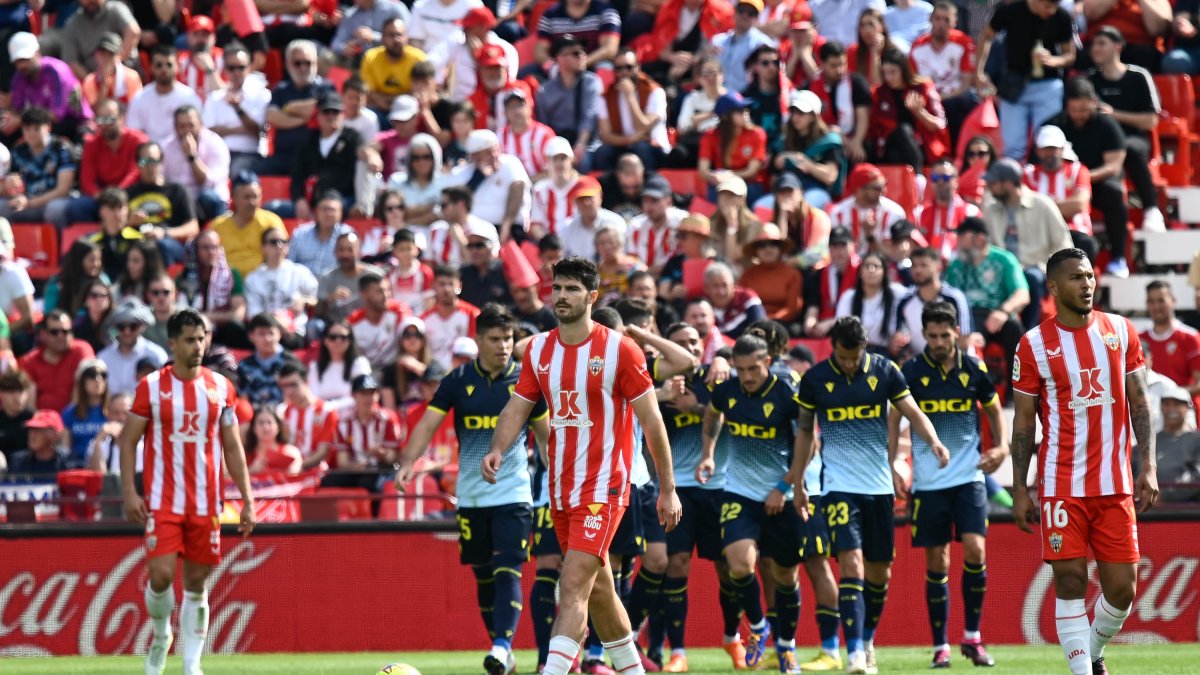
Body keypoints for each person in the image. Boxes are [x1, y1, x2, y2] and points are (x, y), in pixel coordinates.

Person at [483, 257, 682, 675]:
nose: (562, 296)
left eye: (572, 289)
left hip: (604, 489)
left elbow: (652, 420)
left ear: (591, 296)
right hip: (560, 489)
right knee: (601, 594)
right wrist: (498, 448)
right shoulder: (538, 349)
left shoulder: (619, 349)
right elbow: (518, 407)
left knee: (571, 585)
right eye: (557, 288)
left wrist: (668, 488)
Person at [1010, 247, 1159, 675]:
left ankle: (1091, 654)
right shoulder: (1033, 344)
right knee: (1071, 580)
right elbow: (1023, 426)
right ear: (1054, 287)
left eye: (1091, 276)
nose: (1087, 284)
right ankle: (1084, 673)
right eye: (1077, 277)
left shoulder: (1120, 330)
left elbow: (1141, 405)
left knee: (1122, 591)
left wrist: (1146, 464)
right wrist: (1021, 489)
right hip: (1060, 483)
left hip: (1115, 483)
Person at [394, 304, 547, 675]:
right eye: (495, 339)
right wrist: (407, 464)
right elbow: (429, 424)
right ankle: (503, 654)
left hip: (514, 494)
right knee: (482, 572)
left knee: (508, 567)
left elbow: (546, 437)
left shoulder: (526, 383)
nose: (503, 346)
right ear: (478, 341)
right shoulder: (457, 380)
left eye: (508, 338)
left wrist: (557, 476)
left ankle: (501, 645)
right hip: (472, 497)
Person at [792, 315, 949, 675]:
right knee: (852, 565)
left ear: (865, 347)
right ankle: (855, 656)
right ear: (834, 348)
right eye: (844, 357)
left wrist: (935, 442)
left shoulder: (885, 371)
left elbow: (913, 411)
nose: (849, 363)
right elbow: (804, 433)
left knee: (880, 575)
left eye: (855, 356)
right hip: (837, 488)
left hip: (878, 488)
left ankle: (866, 640)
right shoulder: (816, 380)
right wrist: (799, 481)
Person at [117, 308, 255, 675]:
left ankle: (192, 665)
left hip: (207, 502)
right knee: (161, 575)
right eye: (191, 339)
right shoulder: (151, 387)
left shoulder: (221, 388)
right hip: (163, 501)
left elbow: (232, 445)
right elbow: (128, 440)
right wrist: (131, 493)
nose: (198, 346)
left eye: (203, 338)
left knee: (196, 584)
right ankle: (161, 636)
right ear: (173, 342)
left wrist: (247, 499)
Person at [891, 302, 1006, 667]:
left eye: (945, 335)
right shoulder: (910, 371)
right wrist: (894, 459)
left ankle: (972, 636)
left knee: (975, 549)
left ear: (957, 332)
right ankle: (940, 644)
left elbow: (993, 406)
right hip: (928, 482)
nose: (939, 341)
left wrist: (1000, 446)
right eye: (933, 335)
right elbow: (894, 416)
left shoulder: (974, 368)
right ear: (924, 334)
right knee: (937, 560)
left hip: (968, 476)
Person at [695, 333, 804, 672]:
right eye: (741, 369)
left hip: (781, 495)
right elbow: (712, 415)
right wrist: (709, 455)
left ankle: (787, 646)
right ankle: (759, 627)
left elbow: (809, 442)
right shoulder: (727, 390)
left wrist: (785, 485)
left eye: (753, 369)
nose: (747, 376)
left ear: (768, 363)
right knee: (738, 563)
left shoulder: (787, 392)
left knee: (785, 575)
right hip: (739, 492)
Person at [648, 322, 746, 671]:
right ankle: (678, 652)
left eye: (693, 341)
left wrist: (697, 407)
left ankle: (732, 638)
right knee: (676, 565)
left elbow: (741, 419)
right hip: (679, 489)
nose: (688, 348)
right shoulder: (659, 387)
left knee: (728, 569)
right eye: (679, 343)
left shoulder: (719, 378)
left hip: (721, 485)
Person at [1048, 78, 1132, 278]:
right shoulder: (1056, 125)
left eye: (1083, 109)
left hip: (1098, 182)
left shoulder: (1107, 125)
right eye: (1073, 109)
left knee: (1115, 194)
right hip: (1064, 185)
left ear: (1093, 102)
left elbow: (1114, 165)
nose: (1078, 114)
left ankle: (1118, 257)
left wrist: (1082, 179)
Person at [1086, 26, 1165, 233]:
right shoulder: (1090, 80)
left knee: (1128, 149)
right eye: (1093, 44)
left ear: (1118, 47)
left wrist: (1114, 114)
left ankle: (1151, 209)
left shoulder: (1139, 76)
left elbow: (1151, 121)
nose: (1095, 48)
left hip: (1133, 139)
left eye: (1102, 43)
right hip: (1099, 142)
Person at [975, 0, 1075, 162]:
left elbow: (1070, 55)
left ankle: (1048, 183)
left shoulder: (1061, 16)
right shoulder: (1010, 11)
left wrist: (1053, 60)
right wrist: (978, 72)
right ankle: (1015, 183)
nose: (1051, 11)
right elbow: (986, 36)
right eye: (1048, 5)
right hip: (1013, 85)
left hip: (1048, 85)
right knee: (1013, 147)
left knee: (1048, 140)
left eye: (1055, 6)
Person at [945, 217, 1029, 373]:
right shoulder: (956, 265)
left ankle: (1015, 392)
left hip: (995, 315)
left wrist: (1003, 311)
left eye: (963, 237)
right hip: (965, 317)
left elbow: (1022, 294)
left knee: (1014, 329)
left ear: (980, 239)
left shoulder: (1004, 260)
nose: (958, 243)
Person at [1022, 126, 1101, 262]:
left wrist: (1042, 208)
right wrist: (1062, 207)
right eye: (1045, 149)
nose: (1049, 153)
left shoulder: (1078, 170)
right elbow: (1024, 207)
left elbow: (1079, 204)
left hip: (1074, 232)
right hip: (1039, 234)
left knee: (1086, 245)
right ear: (1037, 151)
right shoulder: (1028, 174)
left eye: (1053, 148)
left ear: (1062, 149)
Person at [287, 95, 370, 221]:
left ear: (343, 115)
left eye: (336, 112)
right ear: (318, 115)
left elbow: (364, 152)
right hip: (313, 203)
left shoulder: (353, 137)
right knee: (273, 207)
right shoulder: (308, 142)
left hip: (345, 201)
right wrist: (299, 199)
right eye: (326, 112)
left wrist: (372, 155)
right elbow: (297, 175)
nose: (331, 116)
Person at [261, 40, 336, 176]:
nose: (303, 68)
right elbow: (272, 117)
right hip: (284, 157)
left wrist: (289, 108)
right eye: (298, 63)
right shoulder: (280, 89)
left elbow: (322, 111)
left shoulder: (326, 87)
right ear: (288, 64)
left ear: (316, 64)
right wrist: (306, 119)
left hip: (315, 156)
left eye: (308, 63)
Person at [909, 2, 979, 149]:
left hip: (954, 96)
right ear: (930, 19)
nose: (941, 24)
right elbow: (912, 80)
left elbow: (966, 82)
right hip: (927, 99)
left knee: (967, 101)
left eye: (946, 20)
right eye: (937, 19)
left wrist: (944, 98)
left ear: (954, 22)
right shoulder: (917, 46)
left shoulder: (964, 43)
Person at [867, 48, 948, 172]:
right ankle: (918, 177)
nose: (889, 77)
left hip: (920, 146)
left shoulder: (923, 88)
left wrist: (919, 112)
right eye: (885, 73)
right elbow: (873, 127)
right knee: (900, 134)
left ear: (903, 70)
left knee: (902, 137)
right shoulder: (880, 93)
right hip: (887, 145)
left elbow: (939, 124)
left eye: (893, 72)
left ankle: (917, 177)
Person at [443, 129, 531, 243]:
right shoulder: (461, 173)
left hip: (510, 229)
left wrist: (507, 224)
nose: (494, 155)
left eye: (495, 150)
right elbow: (454, 203)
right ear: (474, 156)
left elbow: (518, 188)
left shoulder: (510, 163)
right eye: (488, 153)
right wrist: (478, 177)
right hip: (474, 234)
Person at [592, 49, 670, 171]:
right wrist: (630, 139)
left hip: (652, 146)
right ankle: (609, 188)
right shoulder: (606, 96)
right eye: (619, 68)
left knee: (641, 148)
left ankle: (650, 185)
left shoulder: (655, 92)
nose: (624, 73)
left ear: (638, 68)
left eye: (629, 67)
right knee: (603, 152)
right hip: (623, 144)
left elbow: (644, 126)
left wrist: (630, 97)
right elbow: (606, 136)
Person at [5, 31, 92, 139]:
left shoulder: (57, 72)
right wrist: (9, 118)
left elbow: (56, 115)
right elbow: (16, 109)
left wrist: (21, 120)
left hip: (76, 123)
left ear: (37, 53)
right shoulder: (19, 77)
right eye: (17, 61)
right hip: (43, 124)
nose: (22, 65)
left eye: (25, 59)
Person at [0, 107, 77, 229]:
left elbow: (63, 190)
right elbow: (13, 186)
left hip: (54, 202)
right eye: (27, 129)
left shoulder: (62, 148)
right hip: (27, 203)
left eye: (36, 129)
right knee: (2, 207)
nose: (31, 133)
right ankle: (7, 245)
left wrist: (30, 203)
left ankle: (62, 247)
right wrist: (9, 186)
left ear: (48, 127)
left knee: (54, 210)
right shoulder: (18, 152)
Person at [201, 43, 271, 178]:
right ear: (225, 69)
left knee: (237, 172)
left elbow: (257, 130)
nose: (236, 72)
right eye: (231, 68)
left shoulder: (262, 95)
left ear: (249, 68)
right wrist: (239, 129)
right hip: (217, 154)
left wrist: (238, 109)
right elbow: (207, 132)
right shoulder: (215, 98)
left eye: (241, 67)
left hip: (248, 154)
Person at [74, 98, 147, 223]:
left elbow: (135, 172)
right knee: (69, 209)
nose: (105, 125)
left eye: (110, 119)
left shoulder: (139, 140)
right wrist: (102, 197)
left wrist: (116, 195)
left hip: (131, 195)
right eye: (101, 120)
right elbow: (87, 181)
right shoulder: (91, 143)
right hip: (101, 199)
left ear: (122, 118)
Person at [124, 144, 201, 259]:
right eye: (144, 161)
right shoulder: (127, 194)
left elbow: (193, 227)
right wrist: (130, 223)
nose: (150, 166)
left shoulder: (177, 190)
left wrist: (164, 233)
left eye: (154, 161)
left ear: (162, 163)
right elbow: (114, 228)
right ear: (137, 165)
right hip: (137, 242)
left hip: (168, 243)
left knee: (159, 246)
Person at [535, 36, 603, 165]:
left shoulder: (591, 82)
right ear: (560, 58)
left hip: (586, 143)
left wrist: (580, 145)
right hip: (557, 144)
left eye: (583, 52)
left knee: (583, 161)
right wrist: (557, 150)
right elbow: (543, 126)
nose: (582, 56)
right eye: (576, 53)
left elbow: (588, 117)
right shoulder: (544, 91)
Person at [893, 247, 973, 357]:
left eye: (923, 265)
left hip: (953, 362)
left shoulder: (955, 297)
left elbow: (964, 341)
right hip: (918, 364)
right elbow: (894, 341)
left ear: (939, 267)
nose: (917, 270)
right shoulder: (904, 299)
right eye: (914, 266)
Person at [176, 231, 249, 349]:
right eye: (205, 248)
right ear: (196, 250)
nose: (211, 252)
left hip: (221, 331)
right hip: (190, 330)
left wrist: (206, 316)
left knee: (236, 327)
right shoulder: (183, 277)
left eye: (214, 247)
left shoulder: (231, 275)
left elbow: (238, 314)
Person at [773, 89, 844, 210]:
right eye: (793, 111)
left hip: (816, 190)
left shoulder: (828, 141)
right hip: (786, 192)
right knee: (762, 205)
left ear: (813, 116)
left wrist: (808, 165)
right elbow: (773, 179)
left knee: (804, 207)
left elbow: (830, 176)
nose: (795, 116)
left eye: (801, 113)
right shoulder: (783, 141)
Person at [160, 105, 230, 223]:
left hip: (205, 200)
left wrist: (191, 156)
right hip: (179, 200)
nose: (187, 130)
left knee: (209, 197)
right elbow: (161, 179)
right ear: (175, 127)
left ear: (200, 124)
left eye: (191, 125)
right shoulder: (166, 146)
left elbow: (208, 182)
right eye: (182, 126)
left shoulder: (215, 143)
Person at [210, 172, 286, 278]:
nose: (252, 202)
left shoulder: (271, 221)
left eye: (255, 196)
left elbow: (282, 252)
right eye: (246, 197)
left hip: (263, 281)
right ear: (234, 198)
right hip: (227, 283)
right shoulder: (219, 225)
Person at [20, 310, 97, 411]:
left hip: (76, 419)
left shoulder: (81, 350)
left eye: (65, 332)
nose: (61, 336)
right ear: (43, 334)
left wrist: (68, 420)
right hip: (42, 423)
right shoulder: (29, 361)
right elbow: (29, 405)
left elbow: (85, 387)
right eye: (54, 332)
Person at [697, 93, 767, 205]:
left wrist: (729, 175)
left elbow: (752, 171)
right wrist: (713, 176)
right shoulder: (710, 136)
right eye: (740, 111)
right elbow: (703, 170)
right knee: (717, 188)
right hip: (723, 183)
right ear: (725, 116)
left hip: (750, 184)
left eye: (746, 109)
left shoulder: (757, 134)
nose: (745, 113)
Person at [809, 42, 872, 164]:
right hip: (826, 138)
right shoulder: (812, 87)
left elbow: (863, 115)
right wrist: (836, 134)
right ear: (822, 63)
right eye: (833, 66)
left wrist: (857, 141)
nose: (840, 70)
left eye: (843, 64)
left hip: (856, 139)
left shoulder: (856, 83)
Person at [126, 45, 203, 145]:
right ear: (151, 68)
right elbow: (135, 132)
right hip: (149, 154)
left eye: (169, 65)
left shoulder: (189, 97)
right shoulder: (140, 98)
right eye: (159, 65)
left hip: (182, 152)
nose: (164, 69)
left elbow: (198, 131)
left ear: (177, 67)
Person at [828, 163, 907, 257]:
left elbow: (898, 255)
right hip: (848, 268)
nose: (884, 191)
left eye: (884, 185)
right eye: (877, 188)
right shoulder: (838, 213)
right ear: (859, 190)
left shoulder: (894, 212)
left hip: (884, 268)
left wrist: (870, 236)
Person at [1141, 280, 1200, 401]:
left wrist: (1170, 396)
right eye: (1151, 301)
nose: (1156, 306)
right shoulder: (1139, 339)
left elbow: (1198, 384)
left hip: (1186, 414)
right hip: (1153, 414)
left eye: (1161, 300)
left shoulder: (1191, 337)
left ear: (1173, 301)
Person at [277, 360, 340, 470]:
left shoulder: (327, 411)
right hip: (288, 469)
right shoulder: (281, 411)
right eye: (284, 386)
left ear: (306, 381)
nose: (289, 391)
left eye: (293, 385)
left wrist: (300, 465)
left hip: (317, 471)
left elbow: (323, 452)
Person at [98, 299, 168, 396]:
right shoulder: (103, 358)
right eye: (122, 326)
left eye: (133, 326)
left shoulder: (157, 354)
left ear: (142, 326)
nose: (127, 332)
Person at [59, 0, 140, 83]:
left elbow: (133, 32)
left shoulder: (116, 9)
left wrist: (115, 60)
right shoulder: (72, 24)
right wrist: (93, 83)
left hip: (126, 73)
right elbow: (71, 61)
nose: (90, 1)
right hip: (93, 80)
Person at [914, 160, 979, 261]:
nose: (940, 182)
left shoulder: (971, 212)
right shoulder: (920, 213)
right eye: (935, 178)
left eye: (945, 178)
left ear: (956, 182)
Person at [359, 17, 427, 113]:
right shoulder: (370, 57)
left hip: (410, 110)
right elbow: (368, 93)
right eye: (391, 35)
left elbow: (422, 93)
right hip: (379, 109)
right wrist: (389, 100)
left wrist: (394, 101)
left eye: (400, 35)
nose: (396, 39)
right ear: (382, 38)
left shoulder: (419, 59)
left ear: (407, 37)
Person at [739, 224, 803, 325]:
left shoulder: (792, 274)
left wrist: (772, 320)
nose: (768, 249)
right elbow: (740, 303)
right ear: (756, 250)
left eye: (773, 244)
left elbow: (792, 307)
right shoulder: (748, 274)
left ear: (780, 249)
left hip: (782, 325)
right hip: (752, 323)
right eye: (762, 245)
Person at [532, 0, 622, 71]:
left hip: (592, 65)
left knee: (605, 68)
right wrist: (553, 66)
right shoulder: (550, 14)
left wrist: (580, 63)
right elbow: (540, 50)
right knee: (528, 71)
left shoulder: (607, 12)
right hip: (559, 68)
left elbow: (609, 50)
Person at [351, 271, 412, 375]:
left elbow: (410, 338)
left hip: (397, 373)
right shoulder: (353, 323)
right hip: (367, 376)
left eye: (388, 290)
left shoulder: (399, 311)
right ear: (364, 295)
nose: (386, 296)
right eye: (380, 291)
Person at [309, 320, 374, 417]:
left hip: (351, 419)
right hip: (323, 418)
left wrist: (331, 406)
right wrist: (326, 408)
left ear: (350, 340)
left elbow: (363, 395)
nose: (338, 341)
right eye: (333, 337)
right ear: (325, 340)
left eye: (343, 337)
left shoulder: (360, 364)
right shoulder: (315, 367)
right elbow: (313, 397)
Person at [710, 0, 776, 95]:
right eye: (741, 10)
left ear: (757, 18)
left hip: (748, 99)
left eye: (750, 13)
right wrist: (706, 56)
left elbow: (775, 73)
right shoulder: (718, 41)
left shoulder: (763, 43)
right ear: (734, 12)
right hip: (719, 96)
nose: (745, 15)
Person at [420, 265, 481, 368]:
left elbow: (478, 348)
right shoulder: (424, 319)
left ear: (459, 287)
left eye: (451, 284)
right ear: (434, 286)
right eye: (442, 284)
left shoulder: (473, 315)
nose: (447, 289)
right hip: (433, 375)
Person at [317, 232, 384, 325]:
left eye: (350, 250)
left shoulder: (375, 276)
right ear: (335, 252)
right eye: (341, 250)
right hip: (336, 327)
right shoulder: (327, 277)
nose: (345, 254)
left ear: (359, 252)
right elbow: (317, 311)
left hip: (369, 323)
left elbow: (387, 304)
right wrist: (330, 298)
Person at [626, 176, 685, 276]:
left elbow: (685, 256)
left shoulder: (682, 223)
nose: (648, 205)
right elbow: (631, 260)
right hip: (643, 279)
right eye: (645, 200)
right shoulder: (636, 226)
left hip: (674, 277)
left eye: (654, 200)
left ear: (668, 201)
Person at [1153, 387, 1200, 501]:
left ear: (1188, 407)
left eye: (1177, 404)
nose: (1171, 409)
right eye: (1167, 404)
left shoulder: (1197, 440)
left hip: (1184, 512)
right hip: (1146, 512)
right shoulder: (1150, 441)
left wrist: (1164, 496)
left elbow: (1197, 476)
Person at [529, 137, 581, 239]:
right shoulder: (539, 190)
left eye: (563, 158)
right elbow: (536, 224)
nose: (559, 163)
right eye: (554, 159)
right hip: (551, 244)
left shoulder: (581, 187)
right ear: (547, 161)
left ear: (571, 160)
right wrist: (548, 244)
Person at [43, 239, 109, 317]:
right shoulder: (57, 284)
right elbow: (49, 314)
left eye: (99, 259)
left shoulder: (103, 280)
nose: (96, 264)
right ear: (78, 260)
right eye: (91, 260)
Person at [238, 313, 291, 407]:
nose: (267, 339)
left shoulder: (290, 362)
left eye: (271, 333)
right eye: (261, 334)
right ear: (251, 336)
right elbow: (243, 399)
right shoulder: (244, 366)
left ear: (279, 334)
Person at [459, 222, 513, 309]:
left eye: (479, 245)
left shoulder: (506, 271)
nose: (474, 251)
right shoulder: (463, 272)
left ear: (493, 244)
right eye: (470, 246)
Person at [81, 33, 143, 108]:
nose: (106, 59)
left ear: (120, 55)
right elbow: (94, 112)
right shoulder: (90, 81)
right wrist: (104, 84)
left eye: (111, 54)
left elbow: (136, 107)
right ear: (96, 55)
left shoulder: (132, 77)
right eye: (103, 54)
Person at [245, 405, 304, 475]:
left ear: (278, 427)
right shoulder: (244, 455)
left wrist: (293, 470)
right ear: (253, 428)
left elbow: (297, 474)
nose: (265, 427)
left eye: (269, 422)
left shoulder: (291, 452)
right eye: (261, 423)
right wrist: (250, 470)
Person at [0, 369, 33, 458]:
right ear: (1, 393)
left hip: (28, 469)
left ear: (27, 394)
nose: (17, 397)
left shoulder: (35, 420)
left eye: (20, 391)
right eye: (11, 391)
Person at [143, 274, 180, 350]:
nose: (161, 297)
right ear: (148, 295)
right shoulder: (142, 320)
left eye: (166, 292)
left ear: (175, 294)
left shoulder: (187, 318)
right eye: (155, 292)